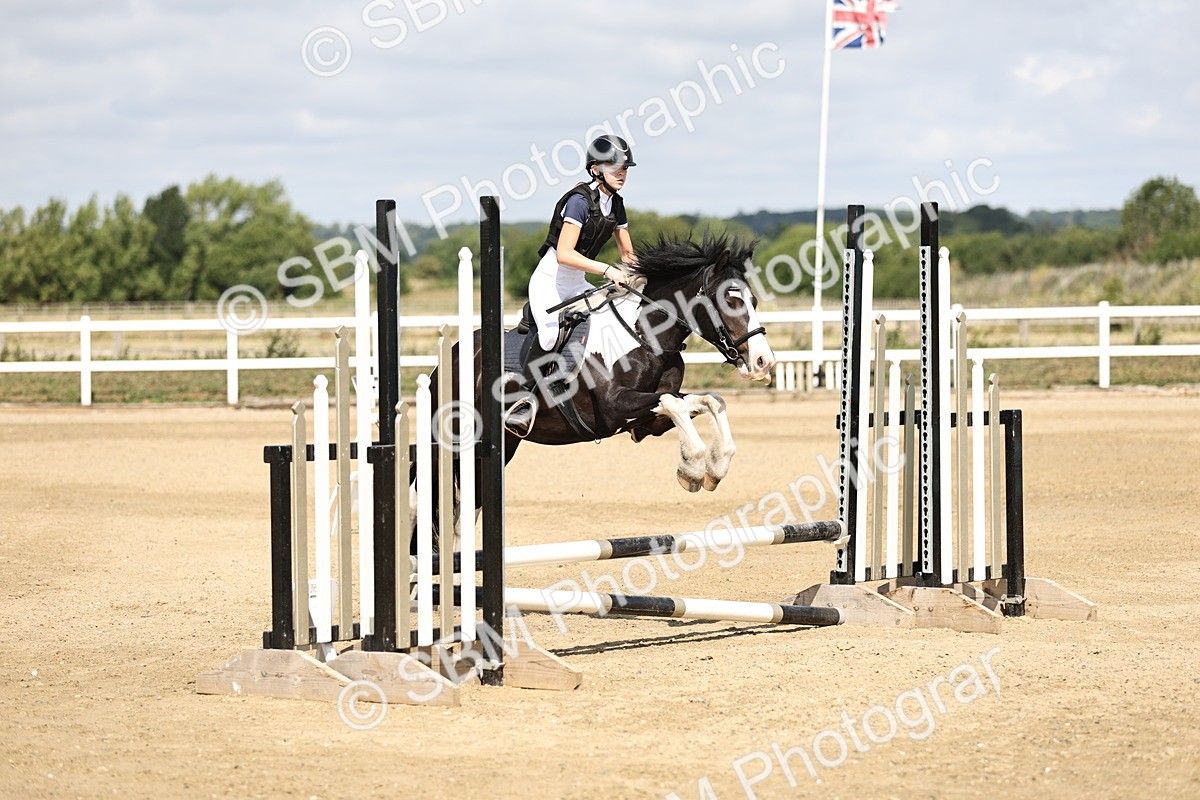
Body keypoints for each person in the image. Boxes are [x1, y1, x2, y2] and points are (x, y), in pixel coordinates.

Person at [504, 134, 639, 436]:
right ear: (595, 169)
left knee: (604, 326)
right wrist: (607, 270)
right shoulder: (579, 202)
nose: (622, 173)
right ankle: (522, 400)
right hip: (550, 282)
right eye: (615, 166)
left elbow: (628, 255)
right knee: (550, 336)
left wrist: (650, 275)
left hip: (576, 283)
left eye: (625, 168)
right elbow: (565, 254)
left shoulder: (616, 205)